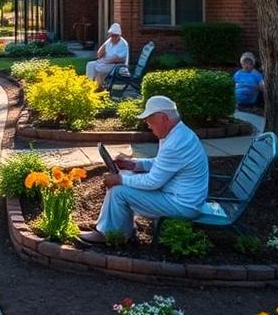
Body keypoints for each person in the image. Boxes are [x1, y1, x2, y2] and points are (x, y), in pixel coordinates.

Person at [79, 95, 209, 244]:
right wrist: (134, 164)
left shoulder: (176, 143)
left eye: (149, 119)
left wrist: (120, 179)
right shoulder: (176, 134)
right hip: (180, 197)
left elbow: (153, 182)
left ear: (163, 118)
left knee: (118, 190)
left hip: (182, 205)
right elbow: (161, 163)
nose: (147, 124)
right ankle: (116, 226)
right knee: (126, 175)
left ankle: (110, 234)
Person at [85, 23, 129, 89]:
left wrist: (105, 61)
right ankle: (89, 85)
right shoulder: (109, 41)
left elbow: (120, 59)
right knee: (90, 65)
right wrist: (104, 45)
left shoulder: (123, 44)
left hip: (119, 66)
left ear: (119, 35)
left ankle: (98, 88)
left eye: (114, 36)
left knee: (99, 69)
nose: (112, 37)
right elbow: (99, 54)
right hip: (107, 63)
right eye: (111, 35)